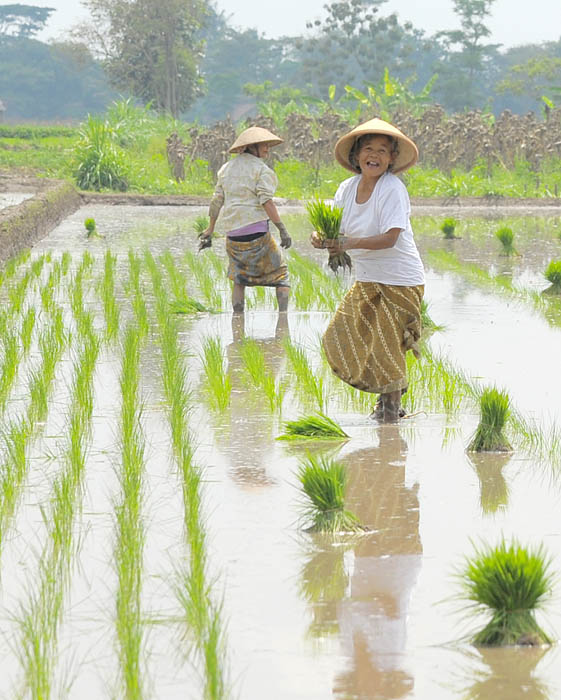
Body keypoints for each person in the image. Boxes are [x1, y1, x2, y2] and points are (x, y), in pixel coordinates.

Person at [311, 117, 425, 422]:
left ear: (390, 160)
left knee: (385, 345)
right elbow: (333, 226)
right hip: (367, 278)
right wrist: (321, 236)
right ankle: (392, 400)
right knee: (341, 334)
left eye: (383, 151)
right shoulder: (346, 189)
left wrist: (347, 243)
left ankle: (389, 415)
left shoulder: (392, 190)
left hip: (400, 280)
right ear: (356, 155)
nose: (374, 155)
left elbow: (391, 238)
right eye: (368, 149)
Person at [199, 126, 292, 313]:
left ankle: (237, 319)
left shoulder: (225, 169)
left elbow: (217, 200)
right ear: (252, 147)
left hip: (233, 237)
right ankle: (283, 320)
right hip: (258, 235)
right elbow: (266, 201)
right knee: (281, 276)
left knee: (239, 279)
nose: (267, 148)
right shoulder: (261, 170)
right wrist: (282, 229)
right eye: (263, 145)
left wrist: (210, 229)